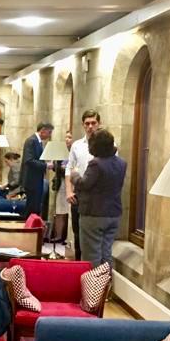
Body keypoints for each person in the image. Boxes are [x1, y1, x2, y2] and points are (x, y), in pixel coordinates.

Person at [72, 128, 127, 269]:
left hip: (94, 214)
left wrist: (75, 176)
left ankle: (92, 283)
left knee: (91, 256)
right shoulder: (122, 163)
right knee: (106, 253)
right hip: (113, 213)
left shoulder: (96, 164)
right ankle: (105, 282)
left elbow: (84, 184)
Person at [66, 109, 100, 261]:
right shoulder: (77, 145)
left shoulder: (108, 145)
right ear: (83, 125)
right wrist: (69, 191)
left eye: (93, 123)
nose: (90, 126)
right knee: (78, 233)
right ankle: (79, 267)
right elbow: (69, 168)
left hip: (97, 195)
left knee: (94, 236)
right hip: (78, 194)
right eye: (87, 123)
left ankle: (93, 270)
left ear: (99, 123)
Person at [22, 122, 54, 220]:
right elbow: (29, 160)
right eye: (49, 132)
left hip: (36, 180)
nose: (49, 135)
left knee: (35, 208)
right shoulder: (31, 141)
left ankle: (32, 227)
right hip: (32, 180)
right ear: (43, 130)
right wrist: (46, 165)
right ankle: (29, 227)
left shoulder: (37, 141)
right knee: (32, 208)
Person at [52, 132, 73, 245]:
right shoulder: (60, 151)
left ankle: (68, 237)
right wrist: (60, 167)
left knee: (69, 211)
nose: (67, 139)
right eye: (66, 137)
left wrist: (66, 169)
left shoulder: (75, 151)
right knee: (59, 210)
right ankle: (58, 236)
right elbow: (55, 167)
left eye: (70, 137)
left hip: (72, 183)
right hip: (61, 183)